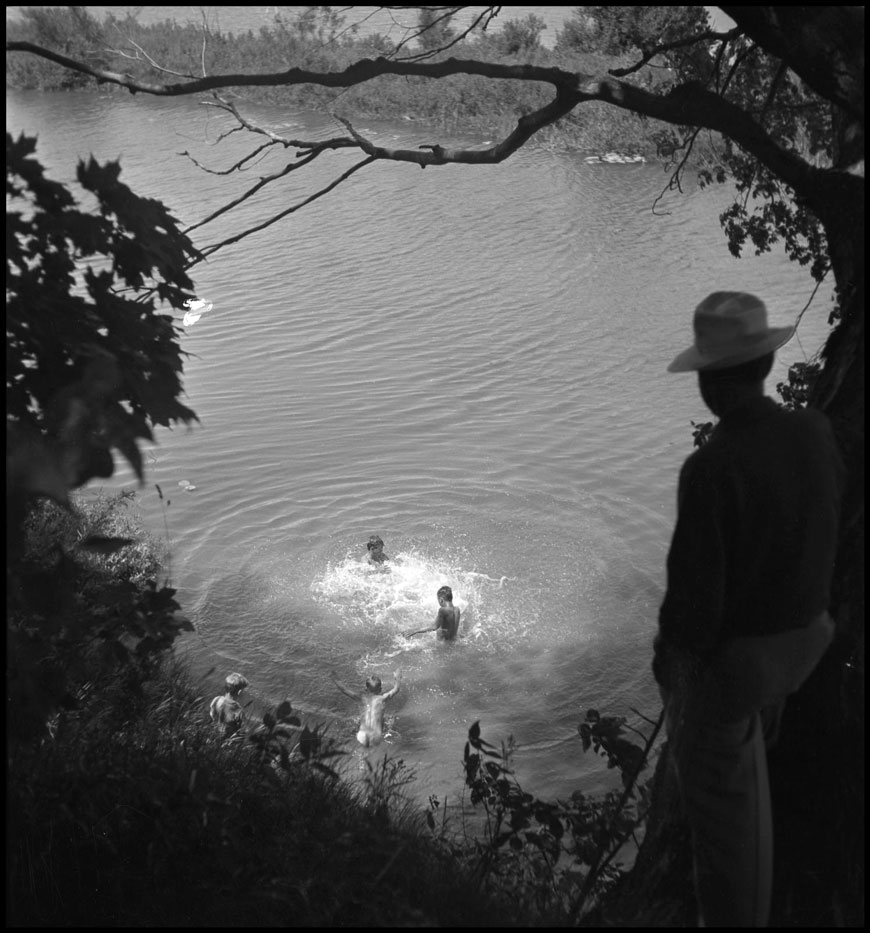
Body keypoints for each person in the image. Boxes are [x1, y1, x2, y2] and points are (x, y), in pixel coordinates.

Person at [653, 292, 844, 928]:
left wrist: (670, 670)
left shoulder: (712, 468)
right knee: (758, 773)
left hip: (746, 667)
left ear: (708, 383)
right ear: (764, 367)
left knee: (727, 840)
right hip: (812, 640)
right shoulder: (814, 430)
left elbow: (693, 613)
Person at [331, 669, 401, 747]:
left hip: (362, 735)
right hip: (376, 735)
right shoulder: (383, 698)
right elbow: (396, 689)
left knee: (363, 750)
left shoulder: (361, 698)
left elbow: (343, 689)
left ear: (366, 689)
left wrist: (335, 678)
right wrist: (397, 678)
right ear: (380, 689)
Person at [209, 672, 249, 737]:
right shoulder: (238, 710)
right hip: (228, 740)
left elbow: (212, 715)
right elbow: (244, 730)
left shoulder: (216, 699)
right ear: (240, 692)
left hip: (214, 734)